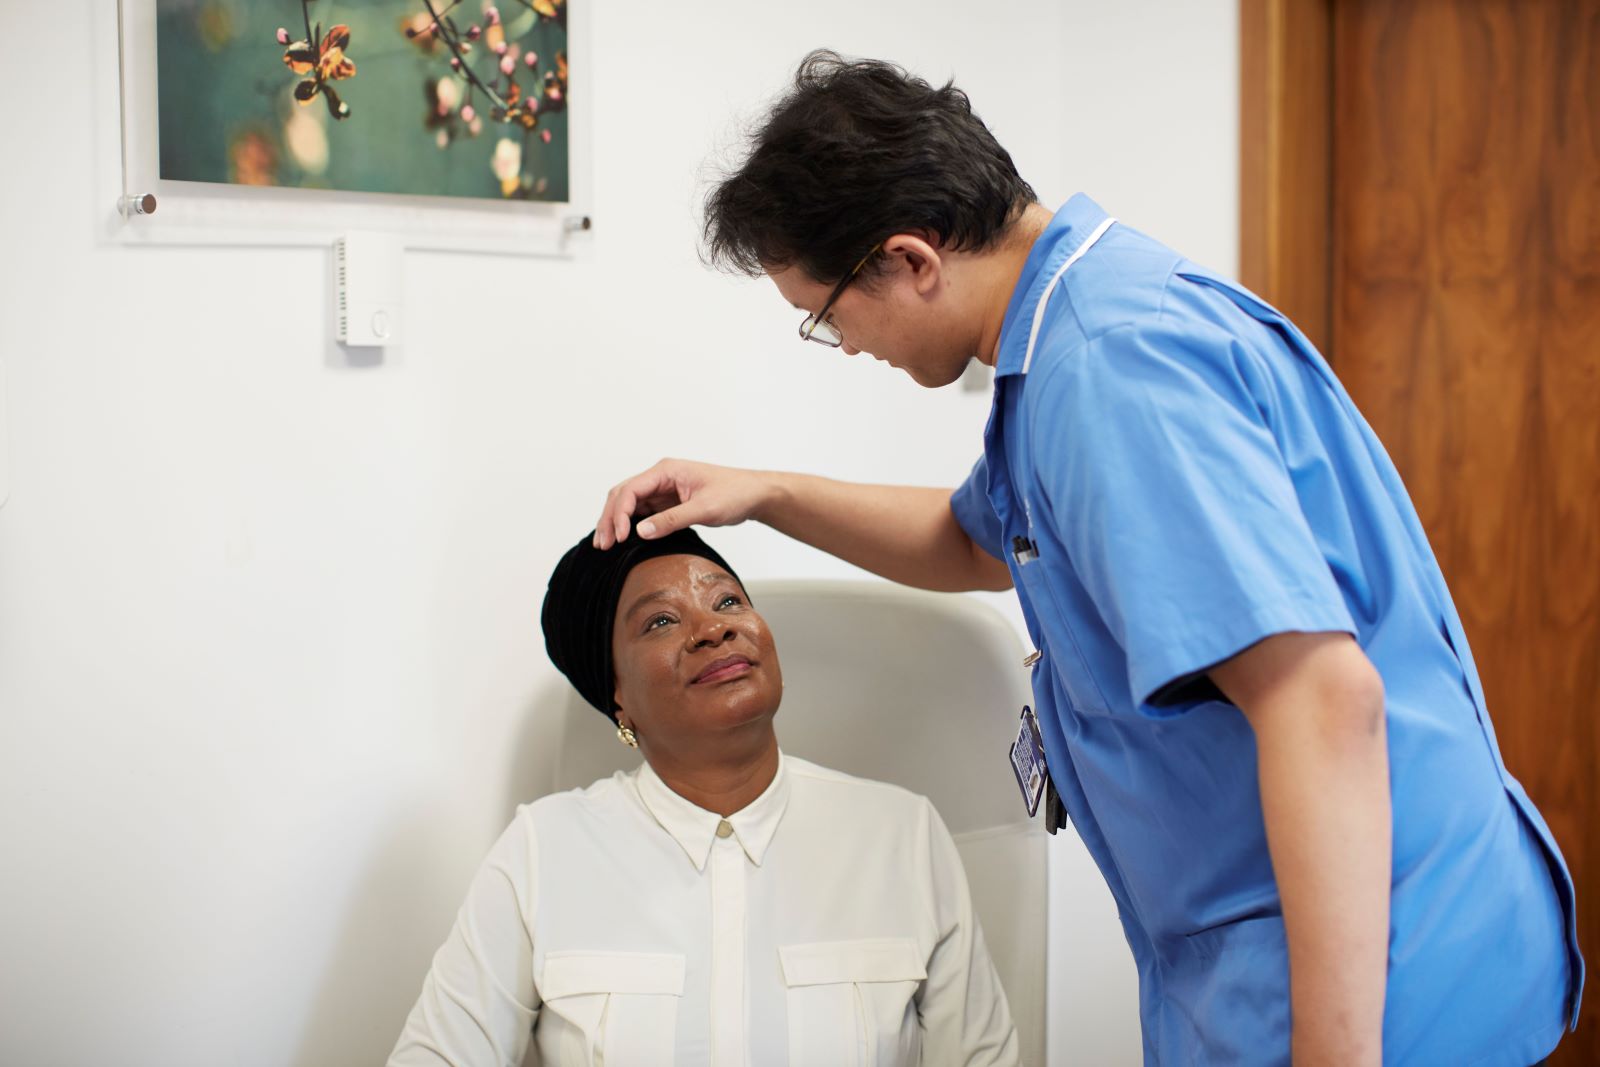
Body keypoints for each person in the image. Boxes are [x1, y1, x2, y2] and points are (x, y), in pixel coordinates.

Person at [590, 51, 1583, 1066]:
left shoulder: (1108, 366)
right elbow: (987, 540)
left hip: (1377, 984)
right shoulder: (1073, 324)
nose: (842, 344)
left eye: (828, 313)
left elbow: (1320, 701)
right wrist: (767, 494)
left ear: (910, 260)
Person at [389, 526, 1020, 1066]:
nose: (713, 629)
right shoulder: (540, 851)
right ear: (617, 699)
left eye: (728, 601)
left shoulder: (902, 835)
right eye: (661, 620)